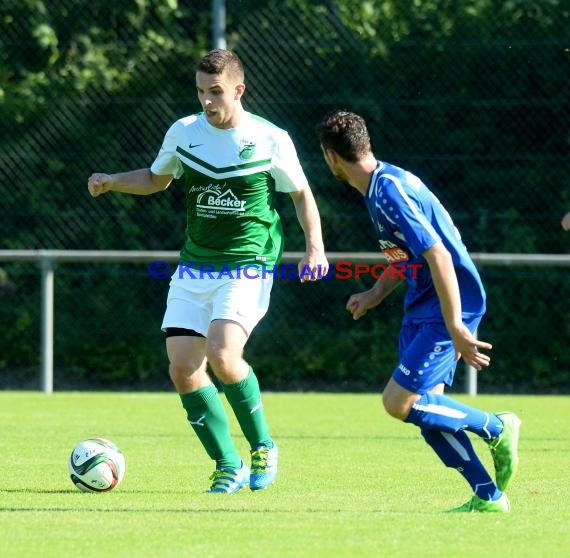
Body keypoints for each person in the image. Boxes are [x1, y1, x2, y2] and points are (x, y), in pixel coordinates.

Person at [88, 49, 329, 493]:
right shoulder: (184, 132)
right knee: (182, 369)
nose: (206, 101)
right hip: (195, 265)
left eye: (215, 92)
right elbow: (157, 178)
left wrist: (315, 247)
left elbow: (300, 194)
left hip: (248, 264)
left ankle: (262, 446)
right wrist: (112, 180)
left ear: (238, 90)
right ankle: (227, 463)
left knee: (222, 354)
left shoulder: (269, 138)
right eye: (201, 91)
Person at [315, 110, 521, 513]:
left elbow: (439, 255)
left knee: (398, 402)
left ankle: (497, 426)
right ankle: (488, 496)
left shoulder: (389, 190)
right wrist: (375, 293)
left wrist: (455, 324)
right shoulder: (379, 187)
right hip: (424, 303)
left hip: (447, 303)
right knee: (426, 412)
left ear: (330, 156)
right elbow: (408, 258)